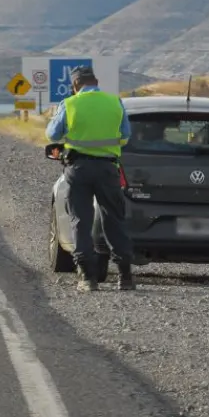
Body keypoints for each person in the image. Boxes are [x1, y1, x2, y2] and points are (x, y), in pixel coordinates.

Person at [45, 66, 135, 291]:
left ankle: (87, 277)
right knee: (114, 220)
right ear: (96, 82)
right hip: (108, 169)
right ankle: (125, 277)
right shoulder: (115, 102)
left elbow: (52, 134)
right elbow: (125, 135)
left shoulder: (70, 103)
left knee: (80, 221)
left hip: (79, 169)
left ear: (75, 85)